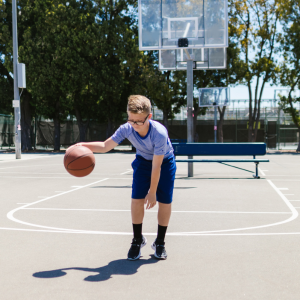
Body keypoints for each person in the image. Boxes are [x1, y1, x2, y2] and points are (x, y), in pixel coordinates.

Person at [73, 95, 176, 260]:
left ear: (149, 117)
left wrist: (152, 191)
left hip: (164, 162)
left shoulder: (159, 133)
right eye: (131, 120)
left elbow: (157, 166)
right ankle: (137, 240)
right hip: (143, 162)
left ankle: (160, 242)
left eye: (138, 121)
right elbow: (106, 146)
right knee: (136, 200)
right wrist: (82, 145)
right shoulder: (126, 128)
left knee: (164, 202)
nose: (134, 125)